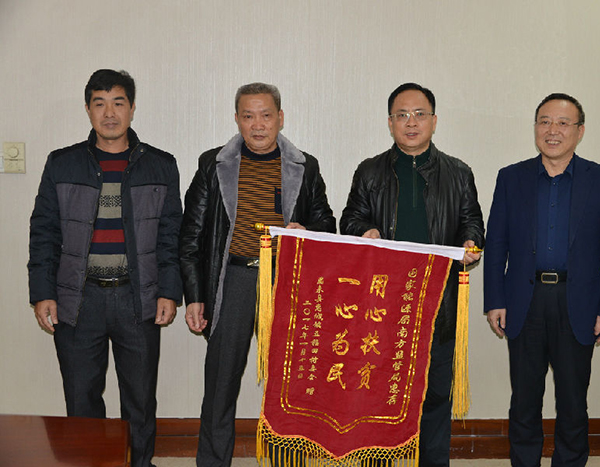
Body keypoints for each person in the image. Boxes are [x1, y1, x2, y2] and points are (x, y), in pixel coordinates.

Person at [28, 69, 182, 467]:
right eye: (100, 103)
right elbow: (43, 233)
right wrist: (42, 293)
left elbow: (171, 237)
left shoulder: (161, 165)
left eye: (118, 103)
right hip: (78, 300)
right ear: (88, 109)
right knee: (81, 399)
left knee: (140, 401)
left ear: (132, 108)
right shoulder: (62, 164)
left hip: (138, 297)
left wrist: (169, 290)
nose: (109, 113)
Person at [179, 82, 336, 466]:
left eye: (266, 115)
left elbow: (327, 227)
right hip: (232, 280)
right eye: (248, 116)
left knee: (288, 386)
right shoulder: (213, 164)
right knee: (220, 383)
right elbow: (190, 237)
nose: (258, 124)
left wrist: (307, 232)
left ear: (280, 118)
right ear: (237, 119)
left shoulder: (305, 167)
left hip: (285, 283)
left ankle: (287, 461)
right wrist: (194, 296)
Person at [340, 82, 485, 467]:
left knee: (435, 394)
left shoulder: (458, 173)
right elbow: (349, 219)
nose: (411, 122)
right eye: (402, 115)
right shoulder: (370, 171)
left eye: (419, 114)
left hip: (438, 302)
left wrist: (471, 242)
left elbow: (472, 222)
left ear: (434, 121)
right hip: (382, 304)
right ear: (390, 123)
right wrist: (363, 231)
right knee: (376, 394)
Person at [483, 93, 600, 466]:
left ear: (580, 131)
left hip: (579, 302)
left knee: (573, 402)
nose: (552, 130)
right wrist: (495, 299)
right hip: (523, 301)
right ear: (535, 128)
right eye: (544, 121)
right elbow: (496, 244)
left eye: (563, 123)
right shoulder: (511, 178)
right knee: (524, 401)